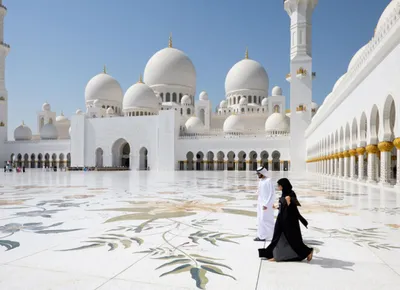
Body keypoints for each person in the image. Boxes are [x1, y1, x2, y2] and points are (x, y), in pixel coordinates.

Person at [259, 178, 313, 262]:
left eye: (279, 185)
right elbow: (284, 207)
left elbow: (293, 208)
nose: (278, 187)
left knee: (293, 239)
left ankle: (308, 252)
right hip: (281, 218)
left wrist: (289, 201)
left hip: (289, 221)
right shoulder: (284, 193)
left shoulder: (291, 194)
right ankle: (273, 254)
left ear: (283, 186)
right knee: (276, 237)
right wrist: (277, 207)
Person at [254, 167, 275, 242]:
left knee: (267, 220)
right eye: (257, 173)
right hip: (260, 203)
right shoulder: (261, 181)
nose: (258, 175)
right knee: (260, 220)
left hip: (266, 205)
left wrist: (266, 204)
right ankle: (261, 236)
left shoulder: (269, 180)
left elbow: (271, 193)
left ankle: (274, 235)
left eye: (259, 173)